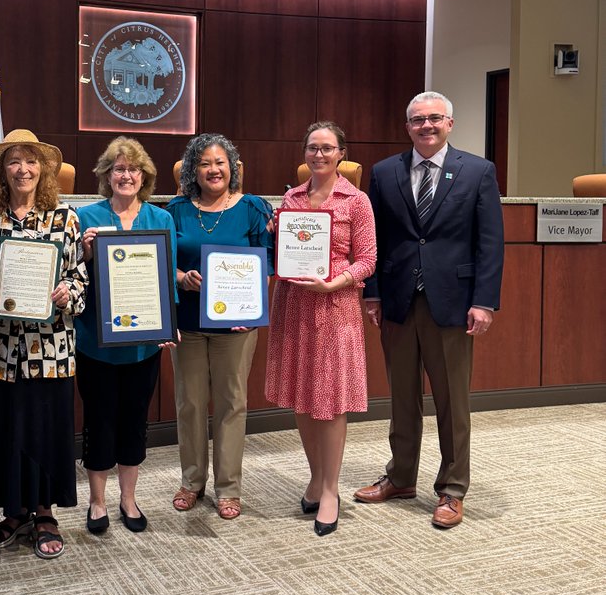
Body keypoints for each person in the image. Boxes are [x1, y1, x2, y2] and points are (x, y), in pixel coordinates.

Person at [355, 91, 505, 529]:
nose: (426, 126)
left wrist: (484, 300)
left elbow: (490, 243)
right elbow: (376, 242)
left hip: (454, 304)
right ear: (407, 127)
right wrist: (374, 293)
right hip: (399, 302)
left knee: (452, 400)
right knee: (402, 396)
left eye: (435, 118)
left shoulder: (478, 171)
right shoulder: (385, 173)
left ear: (450, 123)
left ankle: (452, 488)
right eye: (418, 120)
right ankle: (400, 476)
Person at [0, 129, 87, 559]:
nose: (24, 169)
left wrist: (67, 293)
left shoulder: (65, 218)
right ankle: (14, 512)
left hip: (50, 347)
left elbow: (80, 277)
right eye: (15, 161)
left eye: (32, 161)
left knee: (43, 428)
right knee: (3, 428)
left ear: (45, 169)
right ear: (3, 170)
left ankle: (44, 511)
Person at [265, 123, 377, 536]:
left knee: (330, 400)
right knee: (302, 394)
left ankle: (330, 490)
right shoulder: (290, 198)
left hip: (335, 306)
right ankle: (314, 477)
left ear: (341, 153)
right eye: (313, 147)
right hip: (294, 305)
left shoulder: (357, 201)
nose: (319, 154)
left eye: (327, 148)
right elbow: (281, 253)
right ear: (304, 153)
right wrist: (275, 234)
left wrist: (336, 281)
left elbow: (367, 259)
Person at [167, 133, 273, 520]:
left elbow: (267, 264)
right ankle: (192, 481)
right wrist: (181, 279)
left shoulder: (253, 209)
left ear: (233, 168)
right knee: (190, 403)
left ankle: (229, 486)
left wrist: (250, 308)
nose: (213, 170)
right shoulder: (176, 210)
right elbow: (164, 260)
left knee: (232, 403)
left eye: (220, 163)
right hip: (189, 323)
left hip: (237, 327)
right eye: (205, 163)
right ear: (193, 171)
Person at [76, 137, 177, 535]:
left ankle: (128, 499)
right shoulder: (85, 218)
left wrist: (168, 323)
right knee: (99, 421)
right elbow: (72, 277)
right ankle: (97, 501)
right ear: (106, 175)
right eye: (118, 169)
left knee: (134, 421)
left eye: (133, 169)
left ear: (144, 176)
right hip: (95, 343)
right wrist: (83, 254)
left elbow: (166, 278)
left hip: (143, 345)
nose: (126, 175)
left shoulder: (161, 219)